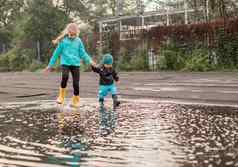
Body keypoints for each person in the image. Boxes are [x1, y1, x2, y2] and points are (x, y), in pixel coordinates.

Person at [45, 22, 95, 108]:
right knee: (65, 76)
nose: (73, 36)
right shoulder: (63, 41)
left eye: (74, 35)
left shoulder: (78, 41)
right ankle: (61, 96)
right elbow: (56, 54)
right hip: (65, 63)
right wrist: (50, 65)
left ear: (77, 33)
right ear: (68, 33)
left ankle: (76, 100)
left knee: (76, 83)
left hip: (76, 64)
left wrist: (90, 61)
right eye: (71, 34)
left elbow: (83, 53)